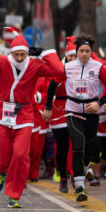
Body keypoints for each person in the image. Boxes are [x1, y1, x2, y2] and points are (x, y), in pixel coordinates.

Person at [0, 30, 64, 208]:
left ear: (27, 53)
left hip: (25, 114)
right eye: (16, 54)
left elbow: (58, 70)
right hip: (3, 113)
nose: (19, 58)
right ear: (10, 53)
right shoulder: (2, 62)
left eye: (22, 54)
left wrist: (44, 52)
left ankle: (14, 195)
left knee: (20, 155)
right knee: (3, 155)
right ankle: (1, 171)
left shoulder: (34, 64)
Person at [48, 34, 106, 202]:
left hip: (92, 113)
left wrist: (99, 103)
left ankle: (86, 166)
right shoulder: (68, 67)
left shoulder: (99, 67)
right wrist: (48, 107)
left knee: (89, 150)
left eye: (87, 51)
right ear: (77, 52)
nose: (84, 54)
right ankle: (80, 186)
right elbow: (52, 84)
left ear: (91, 52)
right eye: (81, 51)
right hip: (73, 110)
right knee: (77, 147)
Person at [43, 37, 77, 193]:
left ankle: (77, 175)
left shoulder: (83, 68)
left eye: (77, 56)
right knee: (62, 147)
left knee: (78, 146)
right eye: (72, 56)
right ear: (66, 56)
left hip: (77, 108)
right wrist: (48, 107)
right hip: (59, 109)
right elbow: (51, 88)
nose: (74, 59)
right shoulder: (60, 69)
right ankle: (63, 176)